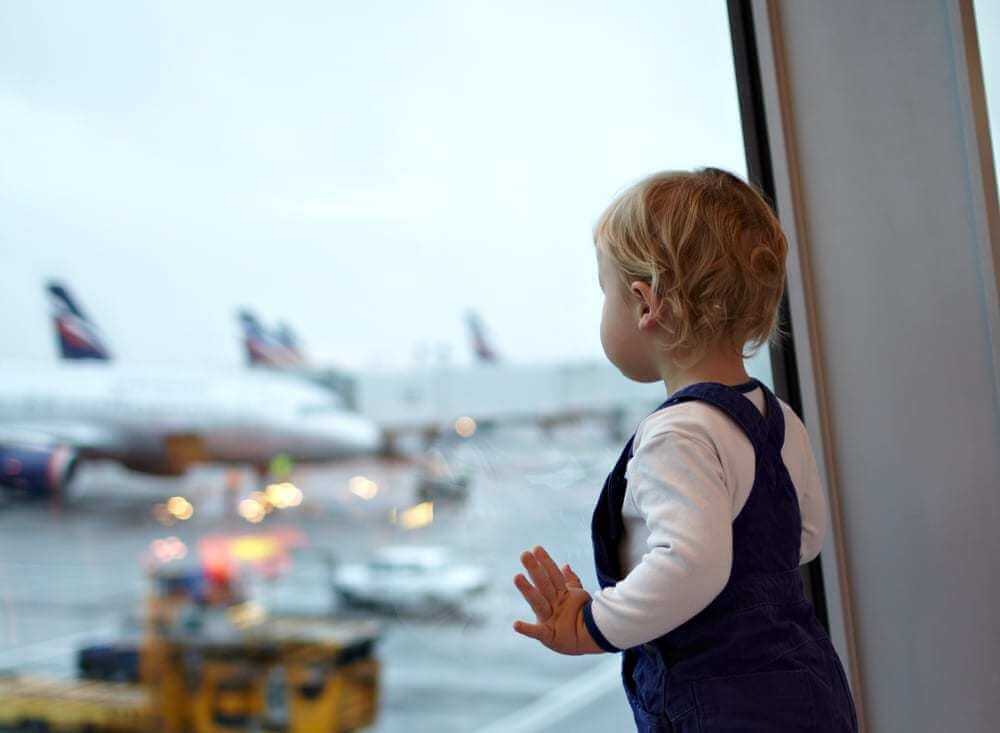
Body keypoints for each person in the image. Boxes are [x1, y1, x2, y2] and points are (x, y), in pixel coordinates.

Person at [511, 168, 859, 731]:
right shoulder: (776, 417)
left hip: (724, 707)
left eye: (605, 292)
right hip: (809, 684)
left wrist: (593, 623)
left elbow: (692, 564)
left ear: (644, 303)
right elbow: (805, 535)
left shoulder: (678, 434)